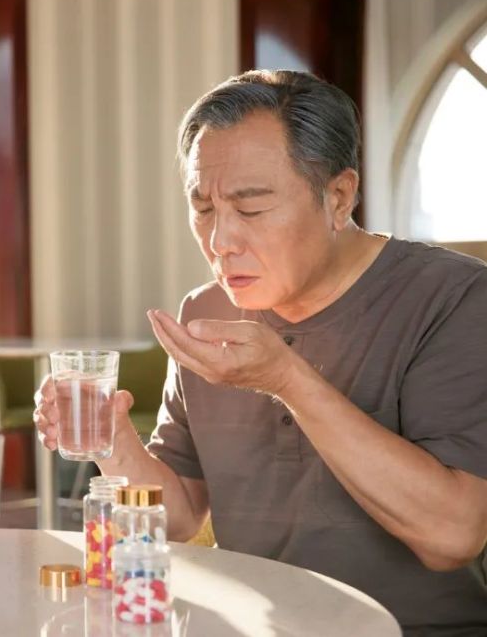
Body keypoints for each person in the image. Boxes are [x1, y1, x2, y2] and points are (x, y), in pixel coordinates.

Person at [34, 70, 487, 635]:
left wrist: (287, 379)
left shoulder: (452, 298)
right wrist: (113, 437)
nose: (220, 241)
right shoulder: (206, 311)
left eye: (250, 209)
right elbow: (178, 517)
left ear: (339, 197)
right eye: (203, 208)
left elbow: (453, 536)